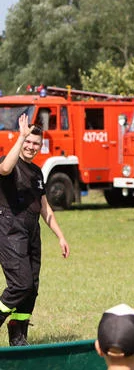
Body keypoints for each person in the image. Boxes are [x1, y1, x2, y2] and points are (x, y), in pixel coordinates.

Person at [0, 114, 70, 345]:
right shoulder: (10, 163)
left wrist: (60, 236)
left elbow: (44, 207)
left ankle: (18, 340)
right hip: (10, 230)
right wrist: (20, 137)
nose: (31, 147)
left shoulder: (38, 172)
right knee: (21, 284)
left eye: (35, 144)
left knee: (31, 289)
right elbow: (4, 168)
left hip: (31, 232)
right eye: (28, 142)